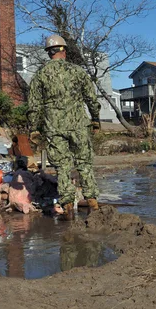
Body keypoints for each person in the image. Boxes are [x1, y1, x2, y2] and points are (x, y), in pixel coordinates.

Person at [27, 34, 101, 221]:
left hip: (54, 127)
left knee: (62, 167)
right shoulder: (78, 72)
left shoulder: (40, 75)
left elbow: (34, 106)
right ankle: (92, 204)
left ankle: (68, 209)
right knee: (84, 164)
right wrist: (95, 119)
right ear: (64, 51)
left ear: (48, 53)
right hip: (78, 126)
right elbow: (91, 98)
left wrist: (34, 128)